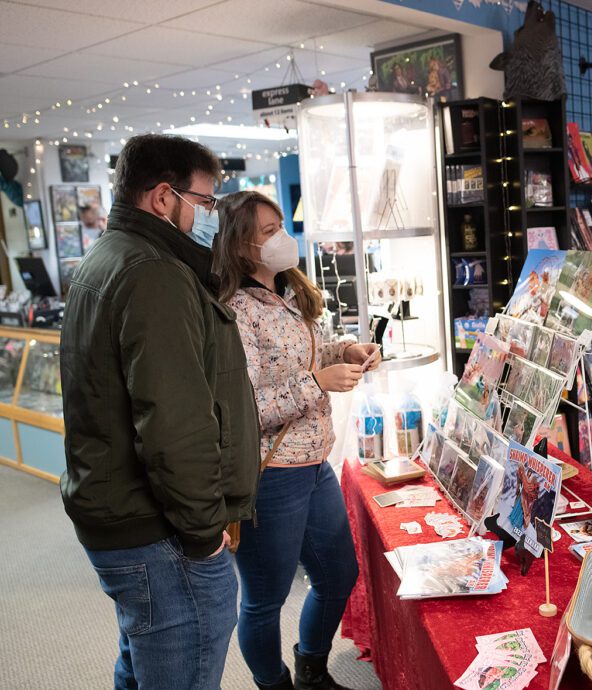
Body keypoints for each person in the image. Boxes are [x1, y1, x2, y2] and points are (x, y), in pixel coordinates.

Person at [60, 134, 260, 689]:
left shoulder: (110, 258)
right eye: (206, 201)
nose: (211, 215)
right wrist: (204, 532)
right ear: (163, 197)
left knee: (144, 661)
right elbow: (173, 423)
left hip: (123, 515)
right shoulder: (152, 273)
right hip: (161, 532)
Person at [213, 190, 379, 690]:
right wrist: (318, 383)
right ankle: (274, 682)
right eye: (269, 232)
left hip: (313, 462)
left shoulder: (286, 292)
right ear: (241, 245)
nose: (282, 239)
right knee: (264, 597)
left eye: (280, 226)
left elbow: (301, 354)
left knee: (338, 576)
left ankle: (311, 668)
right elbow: (243, 407)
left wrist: (343, 347)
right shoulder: (234, 310)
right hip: (270, 473)